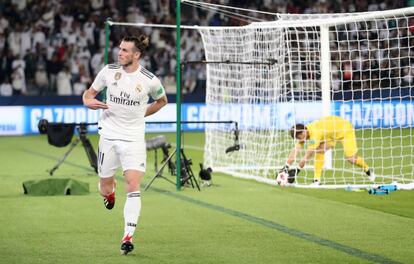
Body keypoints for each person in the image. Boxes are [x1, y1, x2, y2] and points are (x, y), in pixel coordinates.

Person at [82, 34, 168, 255]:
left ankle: (128, 236)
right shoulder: (109, 71)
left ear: (136, 55)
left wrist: (142, 114)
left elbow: (162, 100)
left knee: (133, 184)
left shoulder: (149, 80)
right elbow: (88, 94)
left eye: (125, 50)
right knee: (105, 185)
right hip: (108, 136)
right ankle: (109, 195)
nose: (119, 53)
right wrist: (89, 102)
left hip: (133, 139)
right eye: (119, 49)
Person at [281, 116, 375, 185]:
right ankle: (316, 180)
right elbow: (295, 150)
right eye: (298, 138)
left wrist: (297, 170)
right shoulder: (305, 133)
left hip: (345, 130)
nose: (300, 140)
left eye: (300, 137)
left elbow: (307, 156)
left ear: (304, 132)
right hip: (331, 134)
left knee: (350, 159)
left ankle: (367, 169)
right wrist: (286, 166)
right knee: (320, 150)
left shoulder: (315, 134)